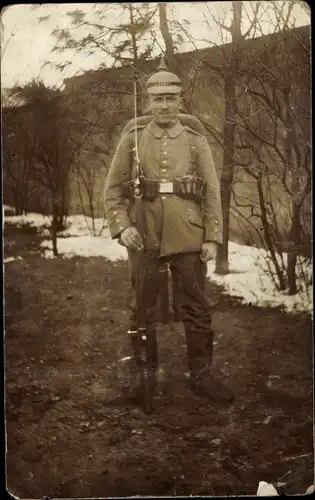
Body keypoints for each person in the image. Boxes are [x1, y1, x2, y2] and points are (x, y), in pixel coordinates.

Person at [104, 60, 233, 404]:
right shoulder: (132, 139)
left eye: (171, 98)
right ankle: (145, 382)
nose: (164, 105)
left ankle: (202, 378)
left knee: (195, 306)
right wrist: (123, 226)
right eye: (158, 98)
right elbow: (113, 189)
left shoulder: (194, 140)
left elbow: (211, 191)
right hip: (143, 233)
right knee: (142, 309)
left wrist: (211, 237)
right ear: (148, 100)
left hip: (188, 235)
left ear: (180, 101)